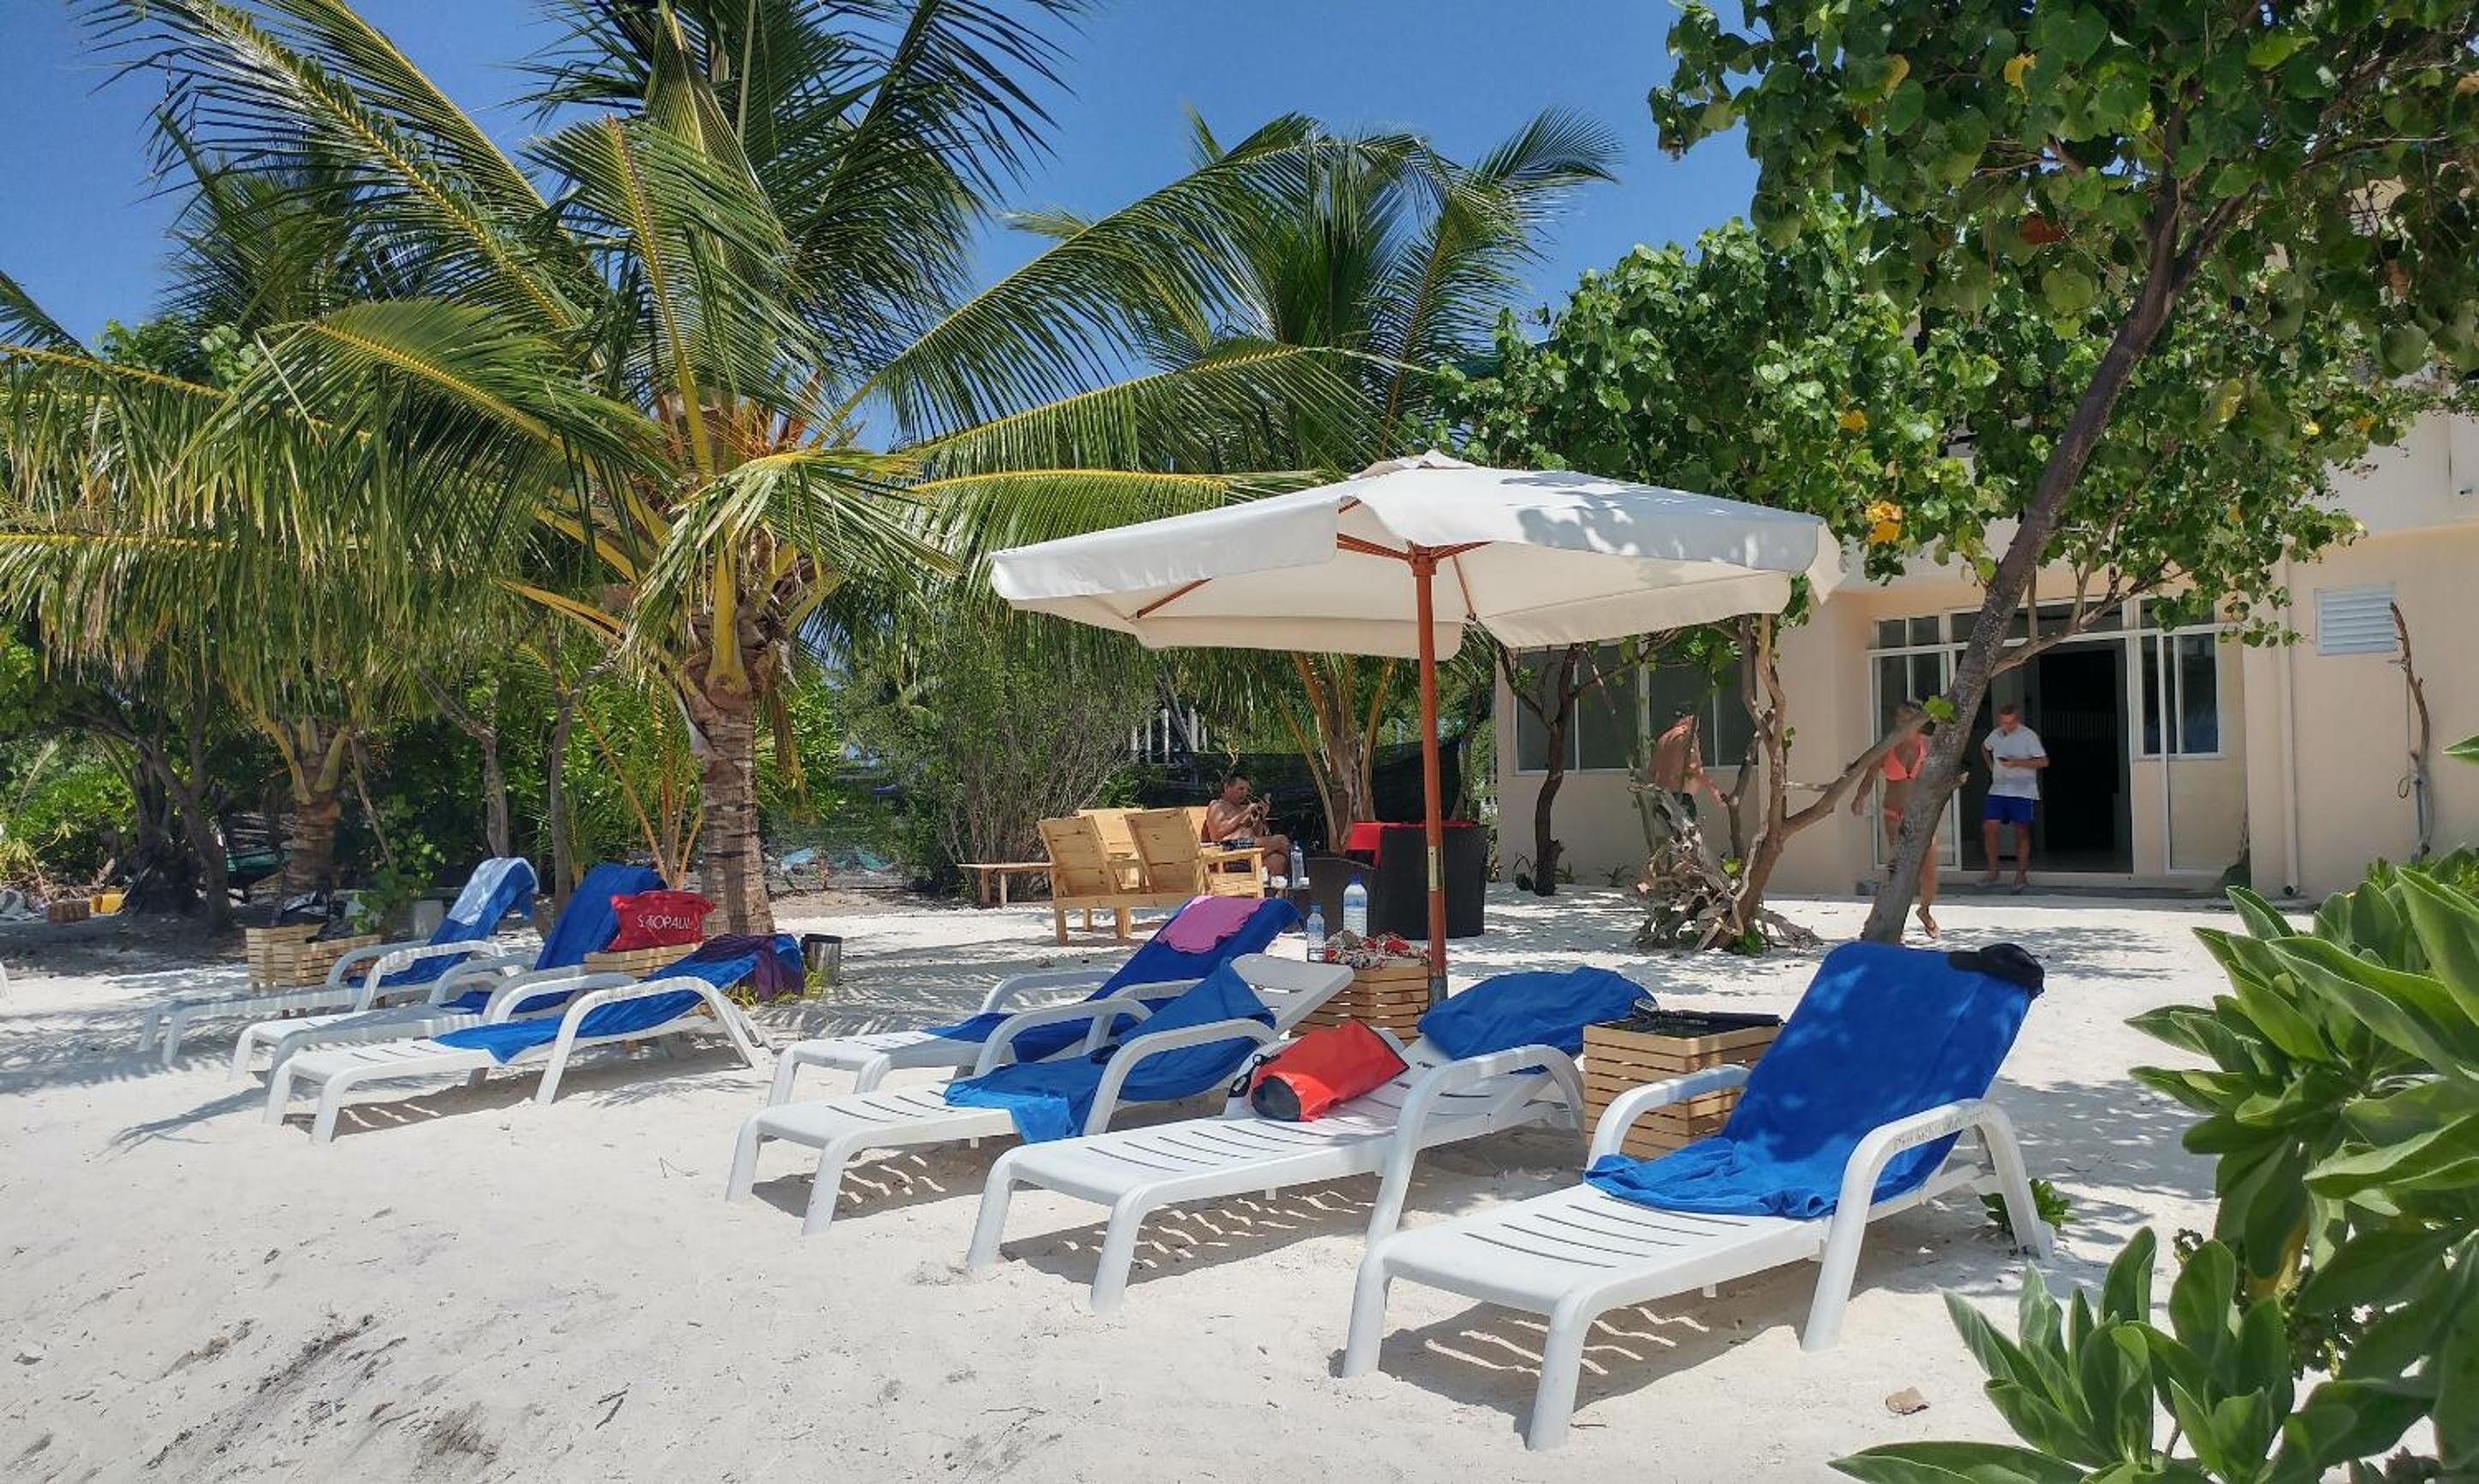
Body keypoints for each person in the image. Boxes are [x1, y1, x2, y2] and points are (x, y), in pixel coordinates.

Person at [1851, 701, 1939, 940]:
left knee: (1929, 872)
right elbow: (1870, 776)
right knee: (1899, 870)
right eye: (1900, 719)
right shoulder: (1888, 747)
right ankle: (1890, 923)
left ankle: (1925, 910)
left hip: (1921, 815)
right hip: (1893, 813)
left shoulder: (1929, 745)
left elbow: (1941, 774)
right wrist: (1860, 798)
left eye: (1909, 718)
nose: (1904, 723)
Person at [1978, 703, 2048, 892]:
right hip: (1998, 788)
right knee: (1989, 826)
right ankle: (1993, 871)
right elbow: (1984, 747)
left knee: (2021, 831)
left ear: (2017, 720)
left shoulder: (2028, 736)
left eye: (2010, 723)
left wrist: (2016, 762)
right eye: (2003, 722)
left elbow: (2043, 761)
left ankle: (2021, 875)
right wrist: (1991, 766)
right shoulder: (1996, 734)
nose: (2006, 726)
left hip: (2023, 790)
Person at [1202, 774, 1290, 878]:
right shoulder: (1217, 805)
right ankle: (1297, 876)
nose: (1244, 793)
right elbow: (1216, 834)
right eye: (1240, 789)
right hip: (1228, 851)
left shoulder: (1243, 808)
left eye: (1246, 790)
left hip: (1247, 852)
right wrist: (1244, 813)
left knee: (1278, 860)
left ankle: (1268, 893)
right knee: (1281, 840)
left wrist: (1261, 817)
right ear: (1226, 787)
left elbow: (1258, 836)